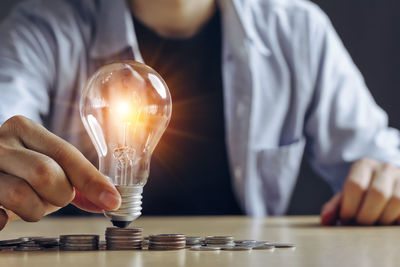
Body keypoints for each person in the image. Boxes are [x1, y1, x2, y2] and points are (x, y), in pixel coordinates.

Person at [0, 0, 400, 231]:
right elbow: (6, 120)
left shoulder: (297, 31)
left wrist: (388, 180)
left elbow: (381, 164)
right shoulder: (42, 30)